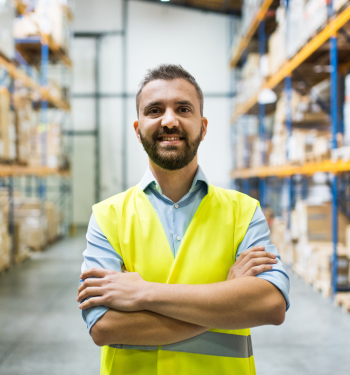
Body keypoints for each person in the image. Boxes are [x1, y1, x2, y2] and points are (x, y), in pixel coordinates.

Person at [77, 64, 290, 375]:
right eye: (154, 110)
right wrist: (227, 298)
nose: (169, 120)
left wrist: (143, 293)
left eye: (183, 109)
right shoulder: (108, 217)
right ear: (138, 130)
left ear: (203, 126)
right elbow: (105, 326)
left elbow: (271, 305)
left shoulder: (243, 212)